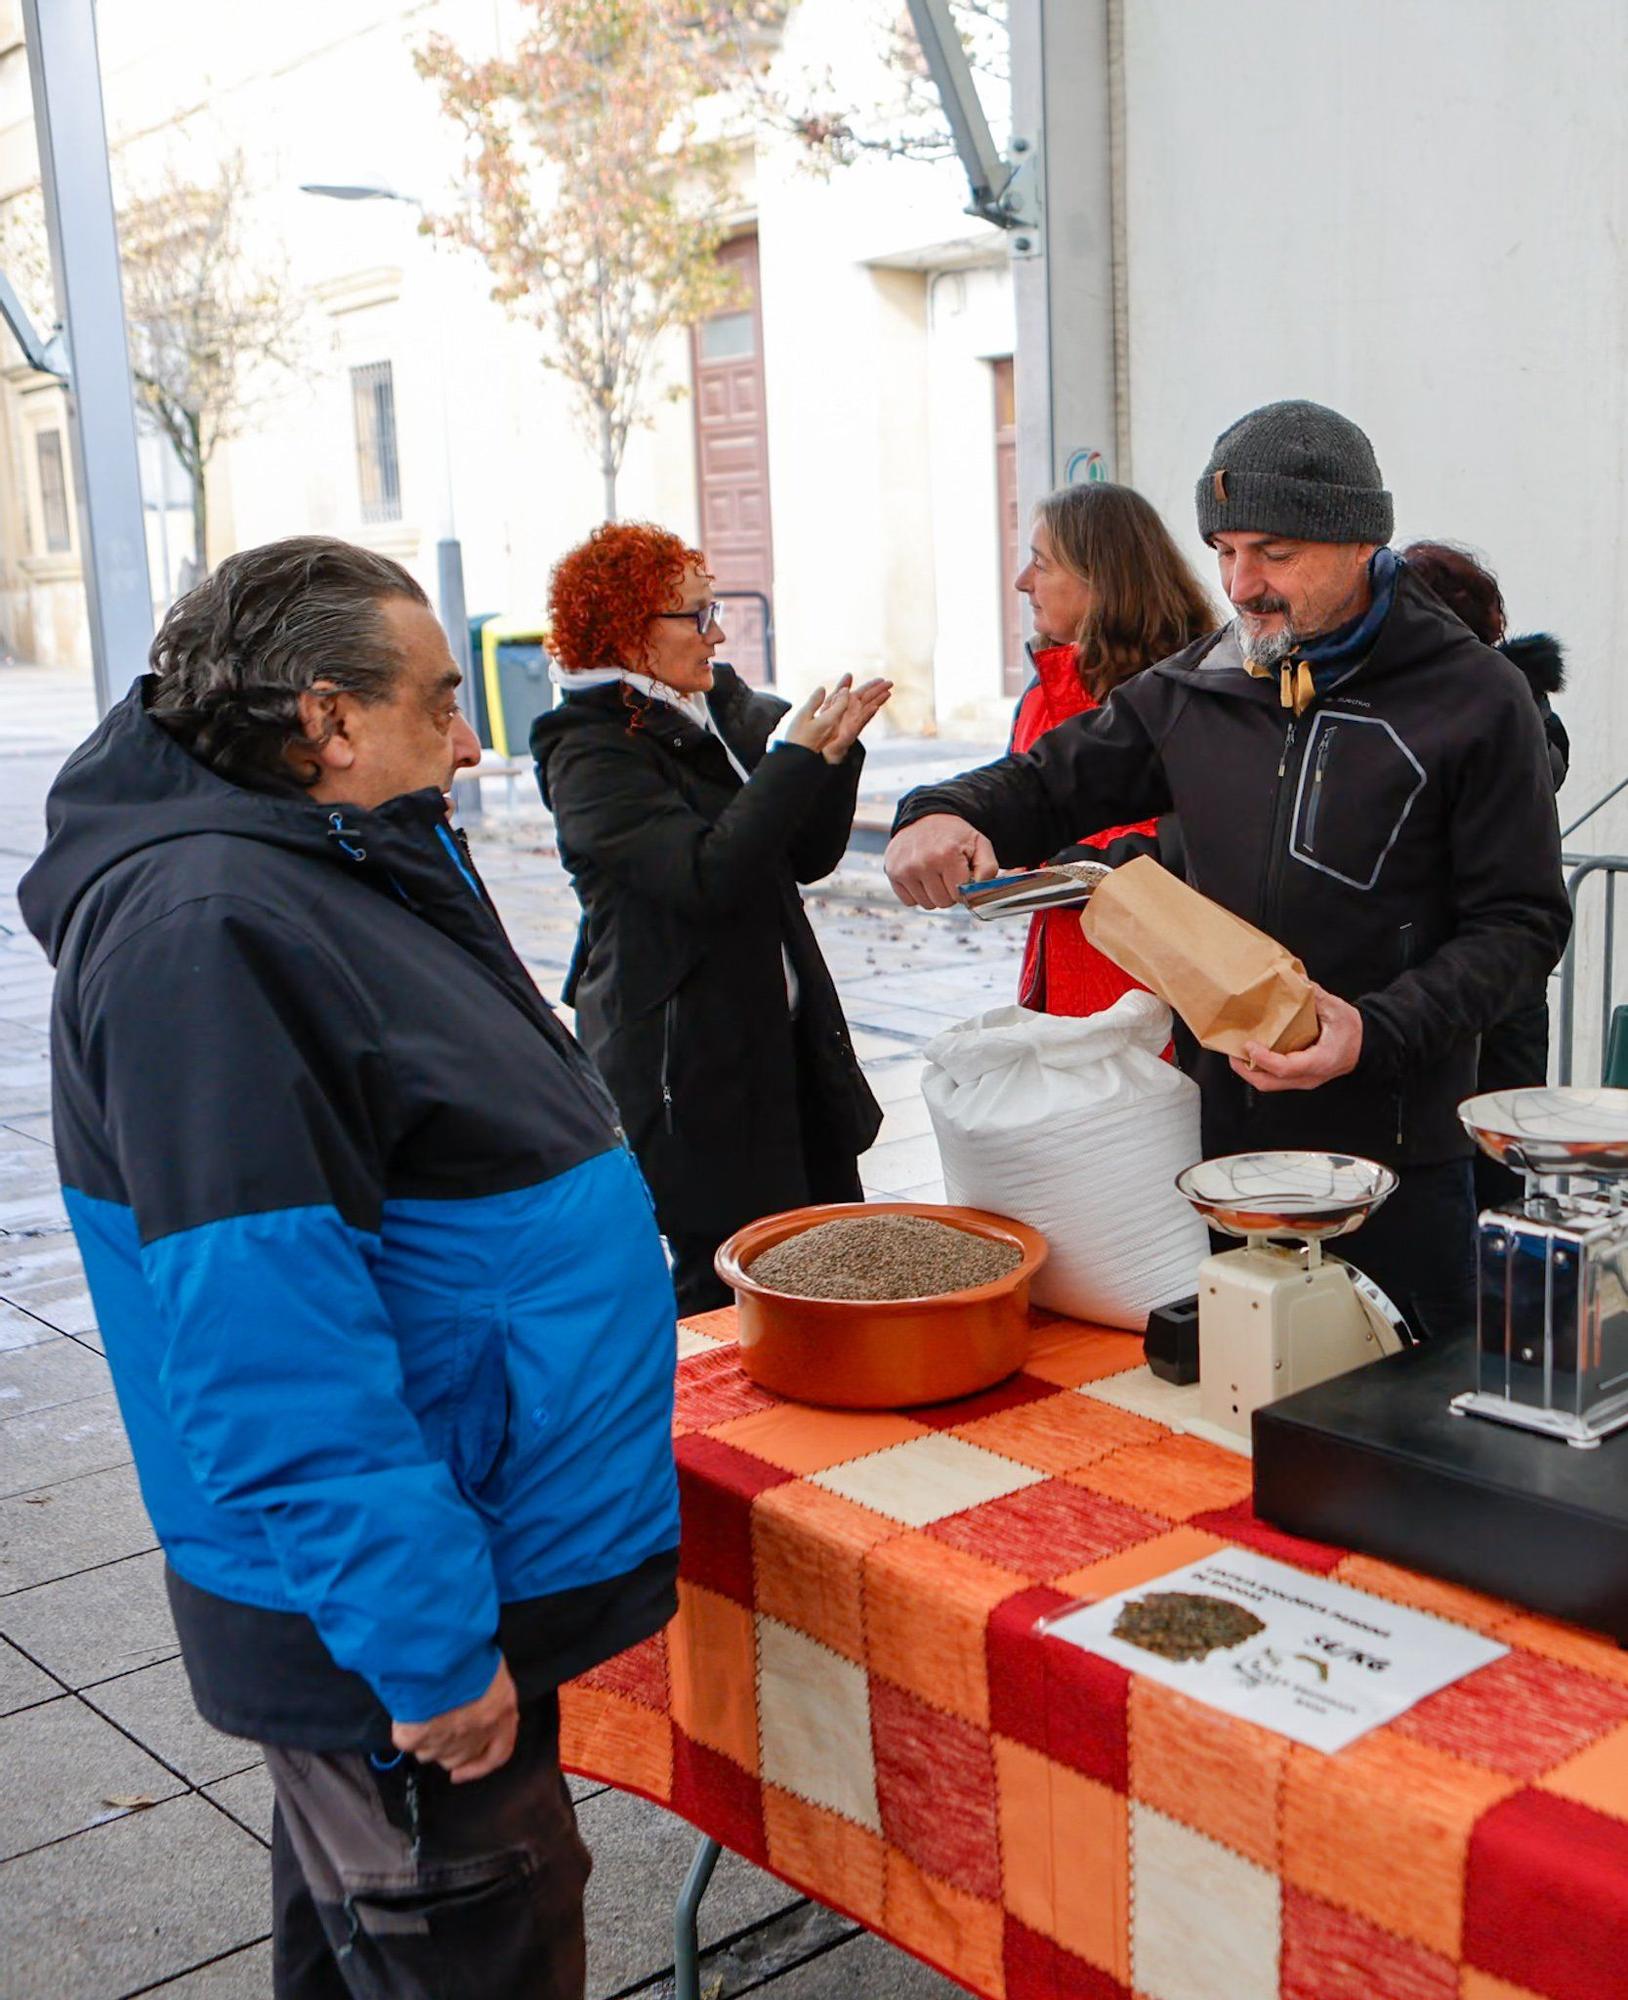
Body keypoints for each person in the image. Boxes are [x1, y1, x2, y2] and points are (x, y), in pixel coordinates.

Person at [19, 537, 682, 1999]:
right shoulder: (212, 930)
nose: (465, 738)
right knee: (469, 1938)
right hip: (399, 1617)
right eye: (439, 702)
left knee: (372, 1946)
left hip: (440, 1556)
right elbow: (269, 1344)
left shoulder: (312, 857)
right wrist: (429, 1653)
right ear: (324, 720)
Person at [884, 401, 1572, 1340]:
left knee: (1393, 1447)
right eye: (1225, 551)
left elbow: (1522, 926)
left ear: (1360, 541)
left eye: (1274, 552)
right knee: (1227, 1437)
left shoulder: (1477, 698)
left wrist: (1372, 1031)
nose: (1242, 584)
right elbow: (1047, 782)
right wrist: (940, 810)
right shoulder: (1199, 685)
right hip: (1223, 1156)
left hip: (1397, 1170)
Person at [532, 522, 890, 1314]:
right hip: (691, 1071)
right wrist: (791, 761)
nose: (717, 632)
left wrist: (828, 762)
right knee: (728, 1300)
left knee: (836, 1267)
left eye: (713, 609)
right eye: (694, 616)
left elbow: (804, 857)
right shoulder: (588, 750)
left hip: (785, 1045)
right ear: (629, 631)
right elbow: (707, 876)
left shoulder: (713, 705)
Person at [1402, 539, 1570, 1208]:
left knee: (1482, 1158)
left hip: (1466, 970)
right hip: (1500, 979)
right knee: (1498, 1155)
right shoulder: (1521, 705)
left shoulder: (1487, 710)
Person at [1009, 481, 1213, 1013]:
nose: (1022, 582)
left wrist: (1074, 866)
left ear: (1101, 579)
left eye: (1041, 563)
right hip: (1064, 991)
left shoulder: (1193, 692)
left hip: (1164, 1001)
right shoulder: (1043, 689)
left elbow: (1203, 842)